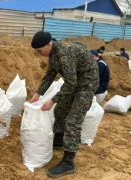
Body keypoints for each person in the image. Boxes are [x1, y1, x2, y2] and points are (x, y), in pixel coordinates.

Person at [29, 31, 99, 178]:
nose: (39, 54)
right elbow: (49, 75)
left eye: (40, 50)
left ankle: (68, 162)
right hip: (74, 82)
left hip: (86, 83)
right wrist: (37, 94)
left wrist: (52, 100)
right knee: (60, 110)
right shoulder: (53, 54)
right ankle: (59, 141)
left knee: (73, 120)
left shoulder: (64, 54)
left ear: (49, 43)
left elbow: (70, 82)